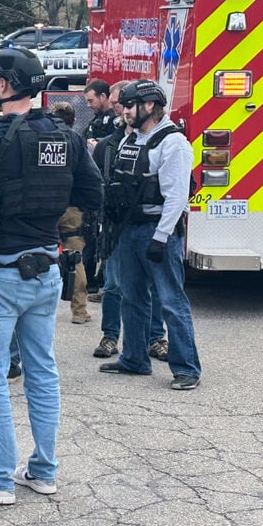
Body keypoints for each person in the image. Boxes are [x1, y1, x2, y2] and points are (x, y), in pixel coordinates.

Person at [0, 48, 102, 505]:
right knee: (43, 372)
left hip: (0, 272)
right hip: (46, 269)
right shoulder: (67, 137)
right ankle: (43, 470)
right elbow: (93, 192)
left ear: (5, 85)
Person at [98, 79, 201, 390]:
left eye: (130, 105)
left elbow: (176, 197)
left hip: (158, 232)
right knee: (132, 298)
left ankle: (186, 369)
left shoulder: (173, 143)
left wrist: (161, 238)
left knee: (170, 300)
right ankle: (134, 359)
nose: (125, 111)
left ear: (150, 107)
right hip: (129, 230)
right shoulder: (134, 139)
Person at [92, 81, 168, 361]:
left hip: (147, 225)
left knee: (154, 289)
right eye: (118, 104)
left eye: (126, 104)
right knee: (113, 285)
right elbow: (96, 184)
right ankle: (110, 336)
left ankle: (155, 338)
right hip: (116, 227)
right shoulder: (108, 146)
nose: (122, 109)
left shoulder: (158, 141)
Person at [49, 101, 91, 325]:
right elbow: (89, 177)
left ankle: (39, 310)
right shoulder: (77, 142)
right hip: (71, 208)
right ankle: (79, 311)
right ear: (73, 120)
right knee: (75, 258)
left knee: (39, 253)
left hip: (44, 208)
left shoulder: (42, 140)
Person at [82, 79, 116, 294]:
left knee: (102, 236)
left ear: (103, 97)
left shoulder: (115, 122)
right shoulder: (96, 120)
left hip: (106, 184)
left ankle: (102, 279)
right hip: (95, 182)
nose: (89, 105)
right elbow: (84, 136)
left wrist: (98, 144)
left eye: (91, 100)